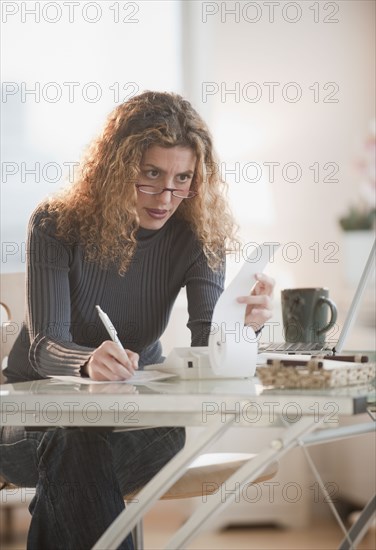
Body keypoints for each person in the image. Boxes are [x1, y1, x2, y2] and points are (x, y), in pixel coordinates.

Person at [1, 91, 275, 549]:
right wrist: (88, 361)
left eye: (182, 179)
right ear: (116, 168)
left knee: (79, 468)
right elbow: (44, 346)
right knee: (75, 445)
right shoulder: (55, 225)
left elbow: (210, 344)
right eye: (151, 175)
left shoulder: (198, 235)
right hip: (33, 417)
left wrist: (244, 327)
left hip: (140, 419)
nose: (166, 197)